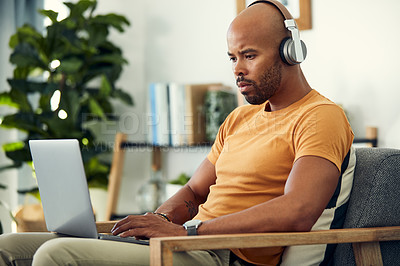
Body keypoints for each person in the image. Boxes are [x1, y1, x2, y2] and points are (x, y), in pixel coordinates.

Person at [0, 1, 355, 265]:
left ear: (289, 53)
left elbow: (299, 210)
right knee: (8, 246)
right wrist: (161, 221)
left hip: (223, 255)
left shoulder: (320, 117)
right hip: (187, 243)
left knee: (56, 254)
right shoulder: (239, 119)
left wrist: (190, 233)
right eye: (232, 58)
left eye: (249, 56)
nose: (238, 70)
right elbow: (194, 190)